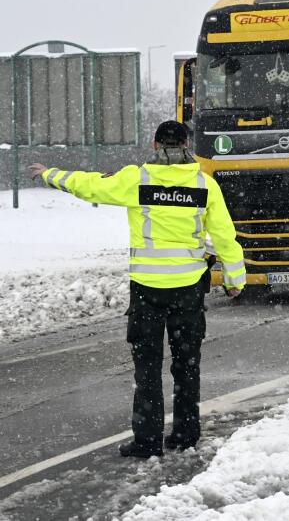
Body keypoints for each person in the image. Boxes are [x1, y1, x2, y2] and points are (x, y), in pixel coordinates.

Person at [27, 121, 245, 458]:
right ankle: (186, 434)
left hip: (147, 292)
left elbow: (89, 186)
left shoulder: (136, 179)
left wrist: (49, 174)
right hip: (188, 291)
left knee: (147, 368)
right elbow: (226, 238)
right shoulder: (206, 185)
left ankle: (147, 440)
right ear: (188, 144)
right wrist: (235, 279)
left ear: (155, 145)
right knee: (187, 366)